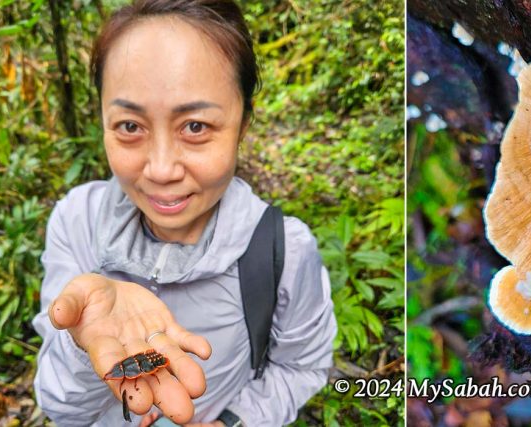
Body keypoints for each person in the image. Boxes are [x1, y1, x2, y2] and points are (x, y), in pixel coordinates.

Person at [30, 0, 336, 425]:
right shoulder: (76, 220)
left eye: (195, 126)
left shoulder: (286, 251)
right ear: (101, 120)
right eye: (130, 126)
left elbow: (302, 365)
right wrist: (80, 343)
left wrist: (234, 421)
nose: (160, 170)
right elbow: (60, 407)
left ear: (244, 123)